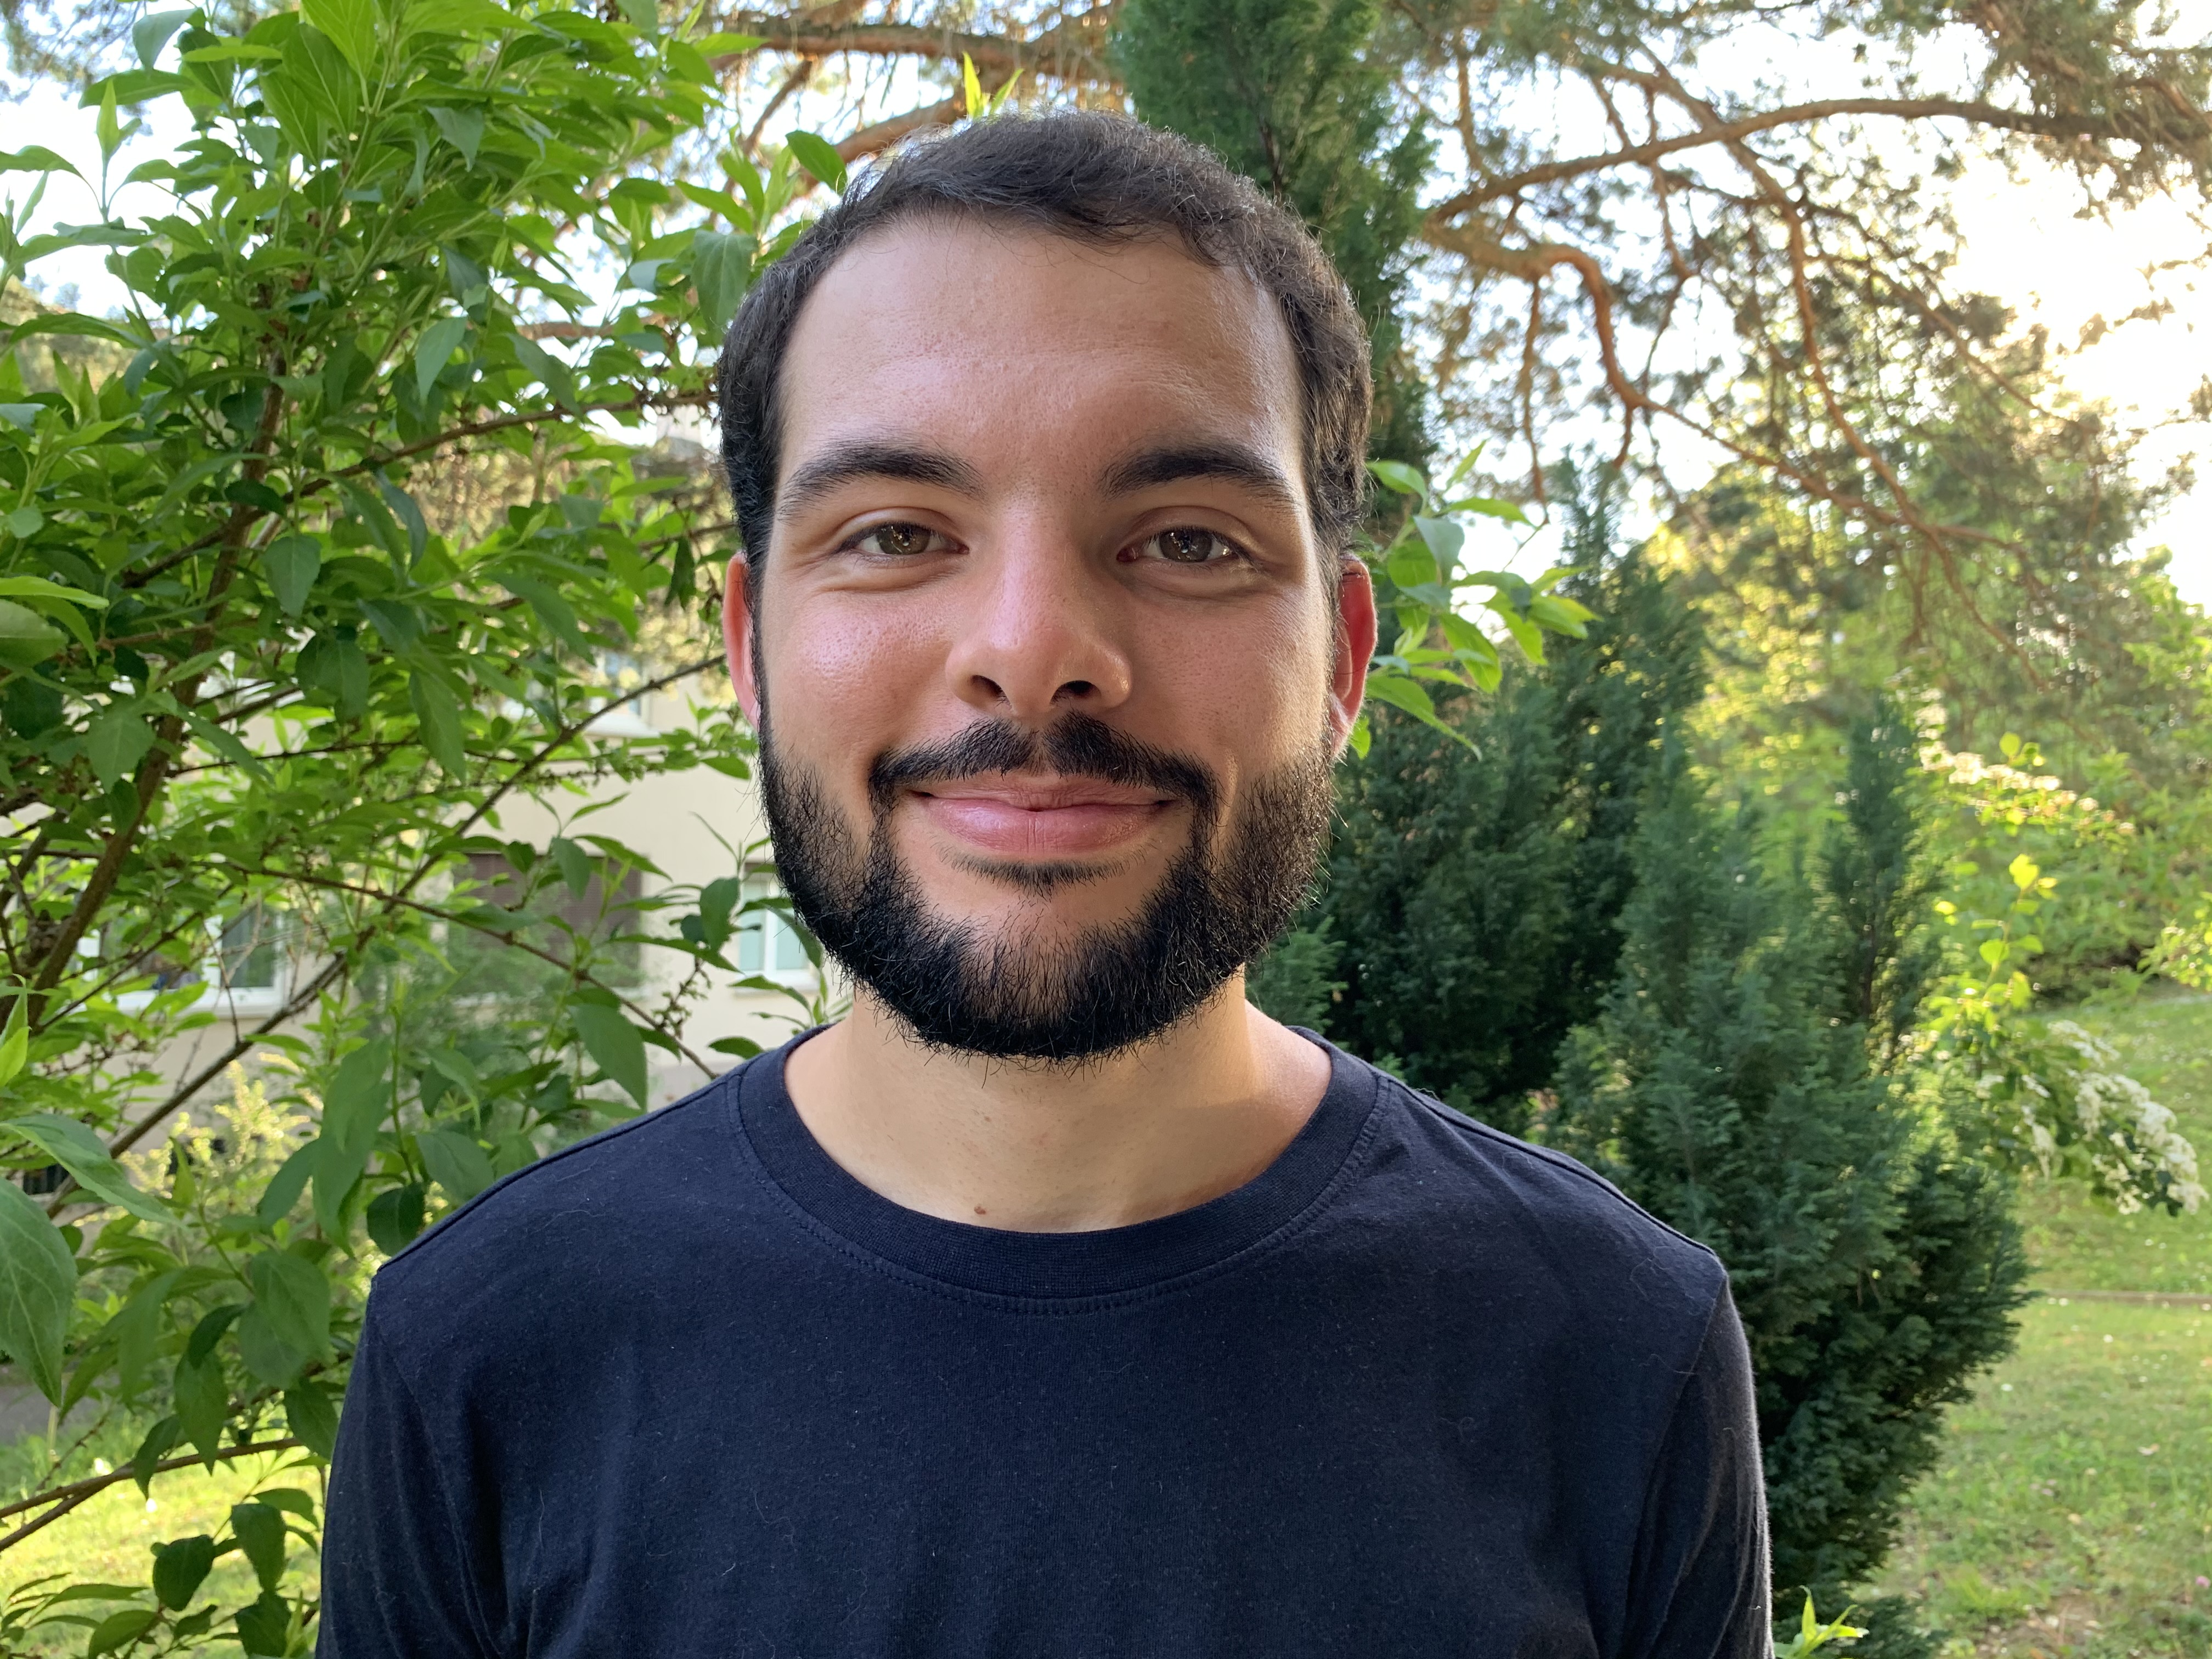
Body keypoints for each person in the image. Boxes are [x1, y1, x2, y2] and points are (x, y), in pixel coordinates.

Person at [317, 112, 1771, 1657]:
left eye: (1190, 541)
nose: (1031, 648)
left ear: (1343, 661)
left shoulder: (1614, 1349)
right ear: (751, 650)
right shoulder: (485, 1352)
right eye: (895, 533)